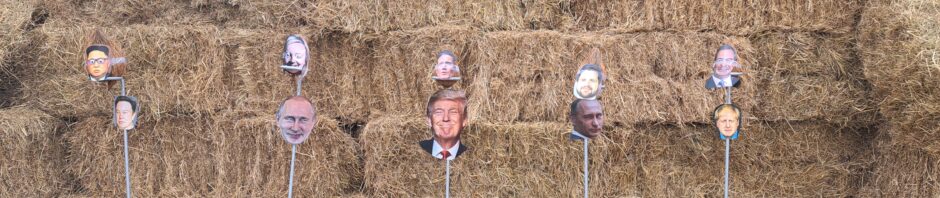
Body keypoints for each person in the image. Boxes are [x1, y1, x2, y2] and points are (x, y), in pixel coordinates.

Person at [419, 89, 469, 160]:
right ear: (429, 120)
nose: (446, 118)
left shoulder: (472, 157)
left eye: (453, 112)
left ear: (464, 120)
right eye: (439, 112)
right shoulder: (414, 151)